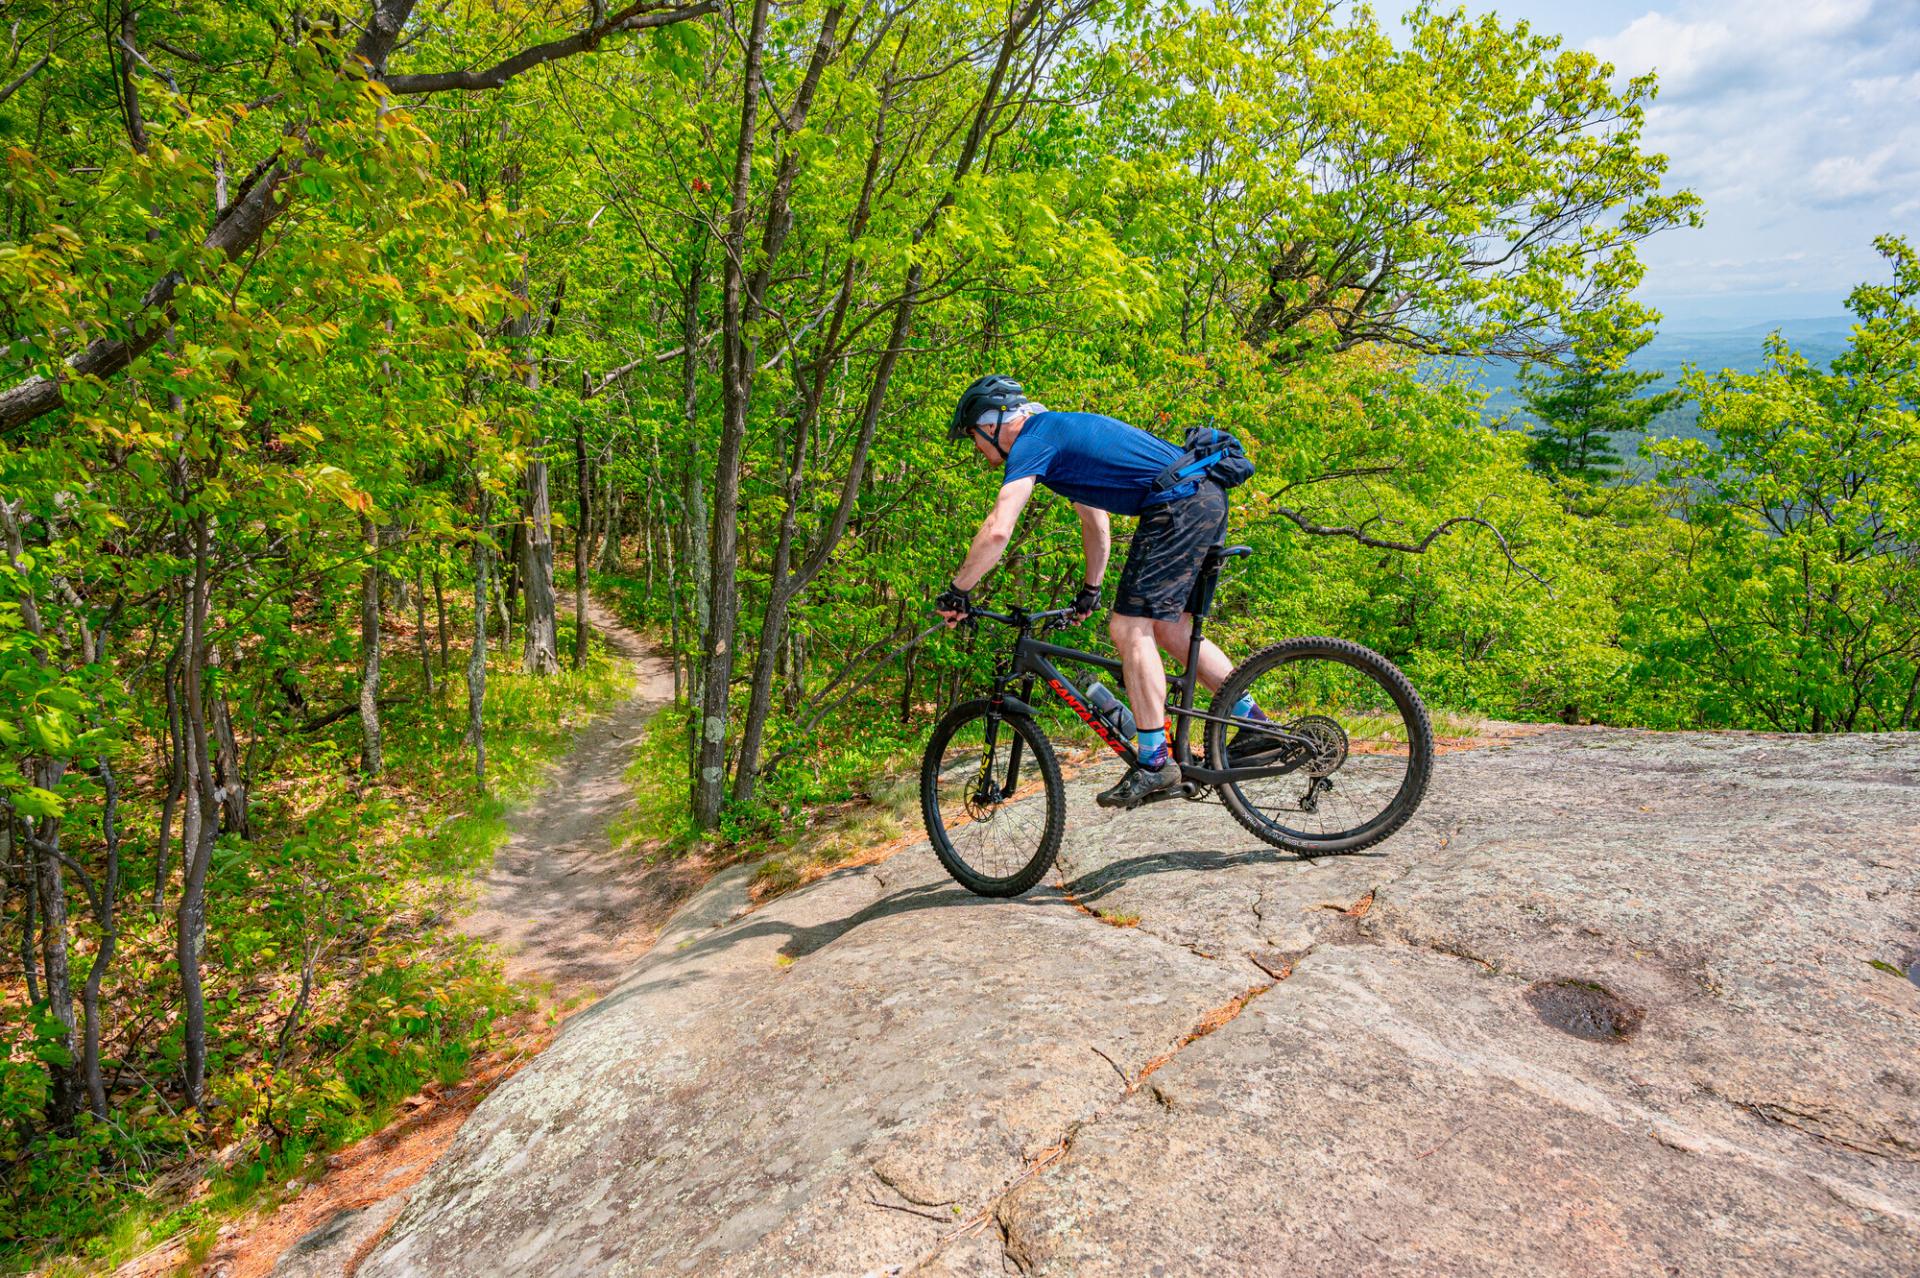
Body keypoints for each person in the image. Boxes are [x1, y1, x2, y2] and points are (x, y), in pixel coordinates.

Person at [934, 375, 1269, 808]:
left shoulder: (1032, 443)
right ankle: (1254, 724)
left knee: (1130, 629)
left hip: (1177, 502)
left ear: (994, 423)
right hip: (1202, 496)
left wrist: (958, 590)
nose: (977, 449)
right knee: (1169, 630)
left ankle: (1153, 763)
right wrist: (1090, 590)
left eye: (973, 437)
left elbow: (999, 529)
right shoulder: (1059, 434)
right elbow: (1096, 524)